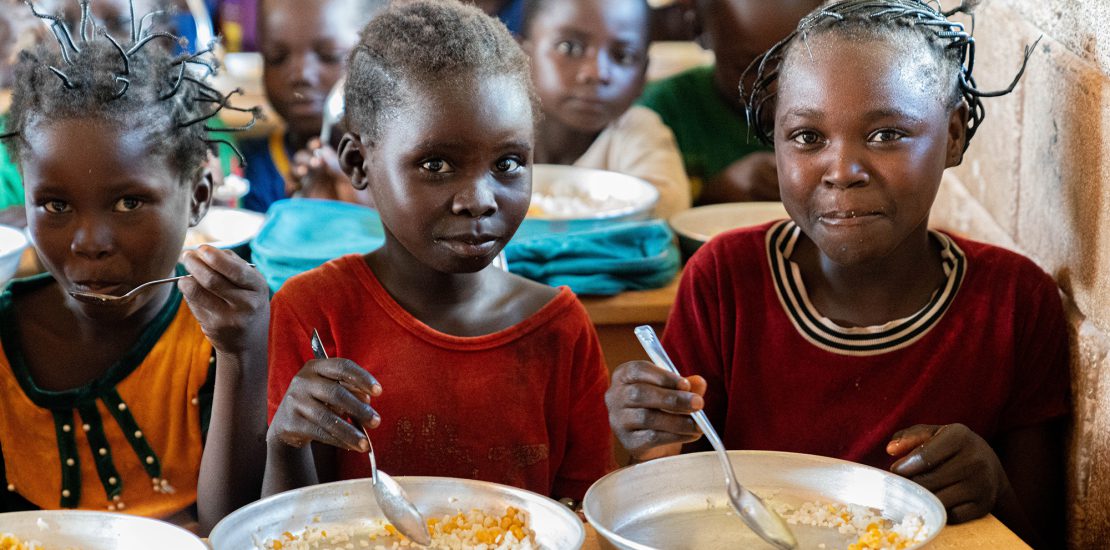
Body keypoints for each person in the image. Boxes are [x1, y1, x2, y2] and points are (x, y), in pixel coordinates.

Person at [606, 1, 1067, 547]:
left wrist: (991, 483)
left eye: (886, 134)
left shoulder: (1014, 301)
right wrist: (648, 433)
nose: (843, 170)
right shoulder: (726, 280)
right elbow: (677, 497)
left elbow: (1038, 532)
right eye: (807, 137)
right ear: (773, 142)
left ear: (954, 136)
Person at [264, 0, 614, 505]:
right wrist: (286, 440)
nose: (479, 199)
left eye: (509, 162)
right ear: (358, 164)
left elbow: (579, 516)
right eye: (435, 165)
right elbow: (290, 524)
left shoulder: (558, 329)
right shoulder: (314, 313)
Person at [0, 1, 268, 534]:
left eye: (128, 203)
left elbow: (234, 528)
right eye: (55, 205)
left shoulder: (216, 340)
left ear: (198, 198)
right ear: (20, 204)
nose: (90, 242)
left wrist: (244, 356)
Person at [637, 0, 820, 205]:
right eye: (750, 68)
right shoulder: (662, 111)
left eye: (797, 64)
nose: (777, 86)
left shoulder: (832, 104)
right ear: (698, 30)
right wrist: (715, 192)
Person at [521, 0, 690, 219]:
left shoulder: (637, 131)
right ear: (522, 57)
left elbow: (663, 214)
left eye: (623, 56)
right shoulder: (490, 129)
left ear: (643, 76)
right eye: (569, 48)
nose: (597, 72)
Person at [238, 0, 385, 212]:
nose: (300, 75)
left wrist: (369, 216)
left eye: (329, 56)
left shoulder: (407, 167)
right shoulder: (245, 170)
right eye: (276, 57)